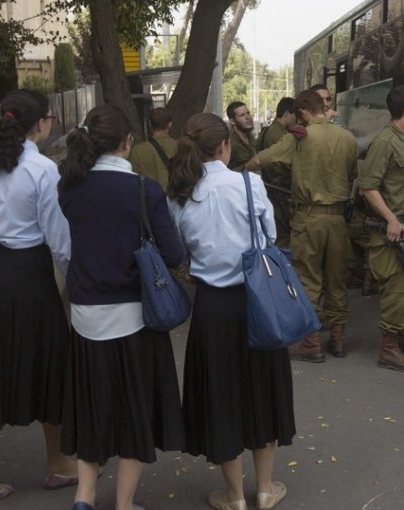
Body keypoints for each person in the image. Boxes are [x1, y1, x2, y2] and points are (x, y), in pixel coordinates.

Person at [58, 105, 186, 510]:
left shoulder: (69, 188)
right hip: (135, 316)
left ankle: (84, 495)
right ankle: (125, 504)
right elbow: (173, 251)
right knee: (135, 408)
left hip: (84, 314)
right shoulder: (144, 191)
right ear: (128, 142)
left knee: (90, 404)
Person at [0, 89, 75, 510]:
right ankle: (58, 462)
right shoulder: (43, 169)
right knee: (49, 366)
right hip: (33, 281)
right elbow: (58, 237)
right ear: (39, 123)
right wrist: (75, 278)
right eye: (50, 118)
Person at [168, 113, 294, 510]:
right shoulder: (249, 183)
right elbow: (270, 236)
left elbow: (179, 252)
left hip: (211, 307)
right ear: (224, 146)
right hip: (258, 299)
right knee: (263, 390)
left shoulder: (181, 195)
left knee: (222, 395)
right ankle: (265, 488)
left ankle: (235, 496)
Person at [246, 89, 357, 361]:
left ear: (304, 111)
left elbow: (260, 160)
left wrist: (243, 173)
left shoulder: (299, 138)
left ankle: (312, 343)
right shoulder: (348, 138)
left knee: (308, 277)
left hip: (308, 218)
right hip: (338, 219)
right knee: (337, 279)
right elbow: (351, 174)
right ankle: (339, 340)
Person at [357, 84, 404, 372]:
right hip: (390, 231)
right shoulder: (385, 142)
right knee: (396, 289)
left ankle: (400, 334)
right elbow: (367, 186)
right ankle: (389, 348)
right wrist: (391, 219)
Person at [256, 97, 297, 247]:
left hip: (272, 190)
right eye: (295, 115)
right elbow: (285, 164)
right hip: (279, 191)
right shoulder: (280, 135)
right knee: (283, 239)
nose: (296, 120)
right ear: (287, 113)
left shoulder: (268, 130)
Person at [128, 107, 177, 191]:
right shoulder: (182, 147)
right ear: (170, 124)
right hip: (177, 200)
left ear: (150, 124)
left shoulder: (137, 151)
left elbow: (133, 181)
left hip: (149, 201)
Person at [226, 101, 257, 170]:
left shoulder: (251, 138)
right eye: (242, 115)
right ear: (232, 121)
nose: (248, 117)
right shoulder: (229, 143)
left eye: (248, 113)